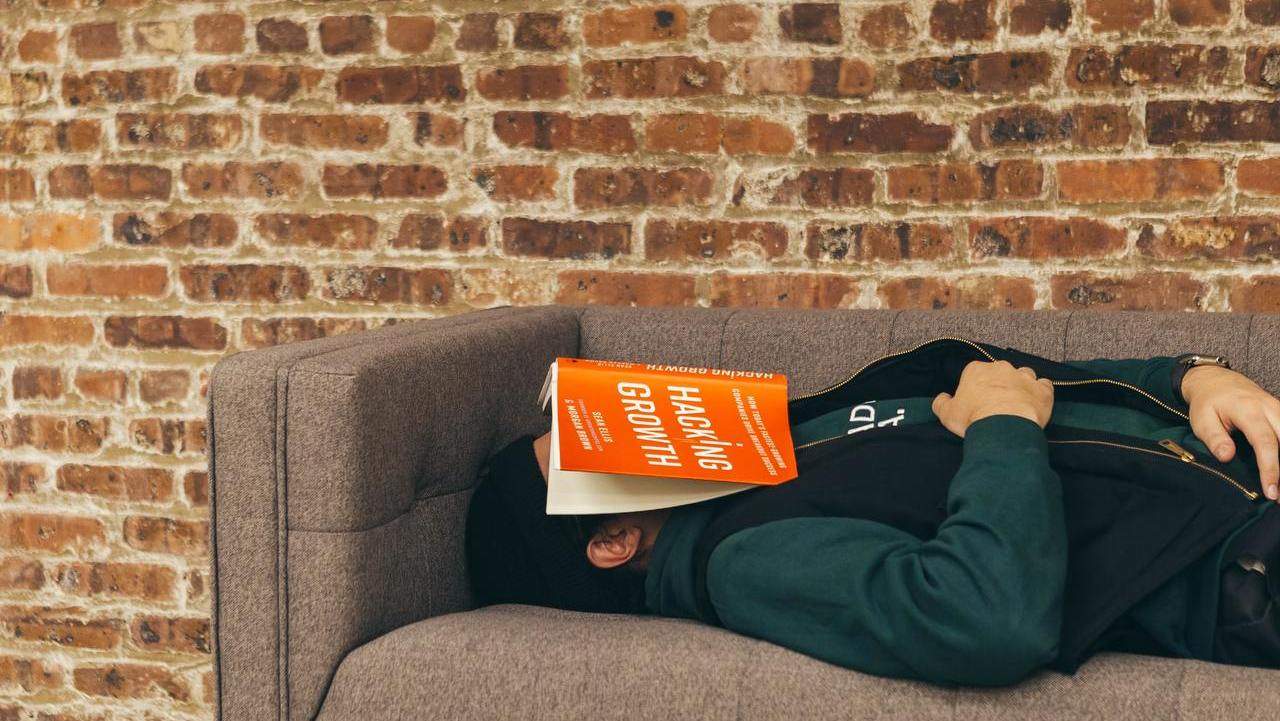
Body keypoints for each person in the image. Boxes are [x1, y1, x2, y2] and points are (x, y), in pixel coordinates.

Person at [465, 349, 1280, 685]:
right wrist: (1000, 428)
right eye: (585, 449)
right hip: (1237, 562)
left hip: (1238, 457)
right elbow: (983, 613)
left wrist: (1191, 374)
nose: (628, 420)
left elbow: (983, 368)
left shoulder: (781, 439)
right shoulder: (740, 560)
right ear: (611, 541)